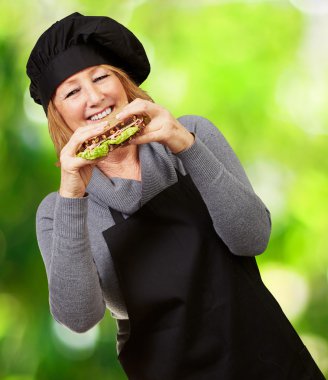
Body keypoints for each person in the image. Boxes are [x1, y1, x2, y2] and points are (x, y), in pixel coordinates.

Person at [27, 12, 325, 380]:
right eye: (72, 91)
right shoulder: (58, 210)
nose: (95, 97)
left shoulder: (191, 134)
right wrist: (72, 193)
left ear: (122, 83)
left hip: (269, 362)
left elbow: (253, 237)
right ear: (58, 116)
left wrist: (185, 144)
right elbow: (79, 319)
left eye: (101, 76)